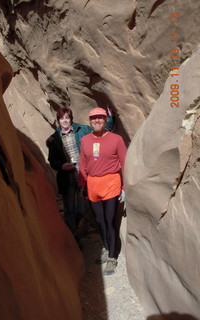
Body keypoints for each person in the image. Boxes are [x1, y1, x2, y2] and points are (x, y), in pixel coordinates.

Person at [46, 107, 113, 241]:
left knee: (82, 208)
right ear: (58, 120)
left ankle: (81, 227)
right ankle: (73, 238)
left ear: (71, 118)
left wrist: (109, 119)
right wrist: (62, 166)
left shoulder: (81, 131)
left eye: (67, 118)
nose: (65, 121)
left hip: (83, 176)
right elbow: (52, 160)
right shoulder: (53, 139)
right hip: (67, 178)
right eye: (62, 118)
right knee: (69, 209)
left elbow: (100, 133)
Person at [79, 107, 127, 275]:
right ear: (90, 121)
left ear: (106, 120)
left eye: (100, 118)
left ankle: (112, 257)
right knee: (99, 220)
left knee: (109, 220)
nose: (97, 120)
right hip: (92, 184)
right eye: (93, 118)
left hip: (111, 182)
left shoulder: (116, 139)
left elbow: (124, 163)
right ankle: (106, 248)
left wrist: (124, 188)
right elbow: (83, 163)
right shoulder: (85, 140)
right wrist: (82, 185)